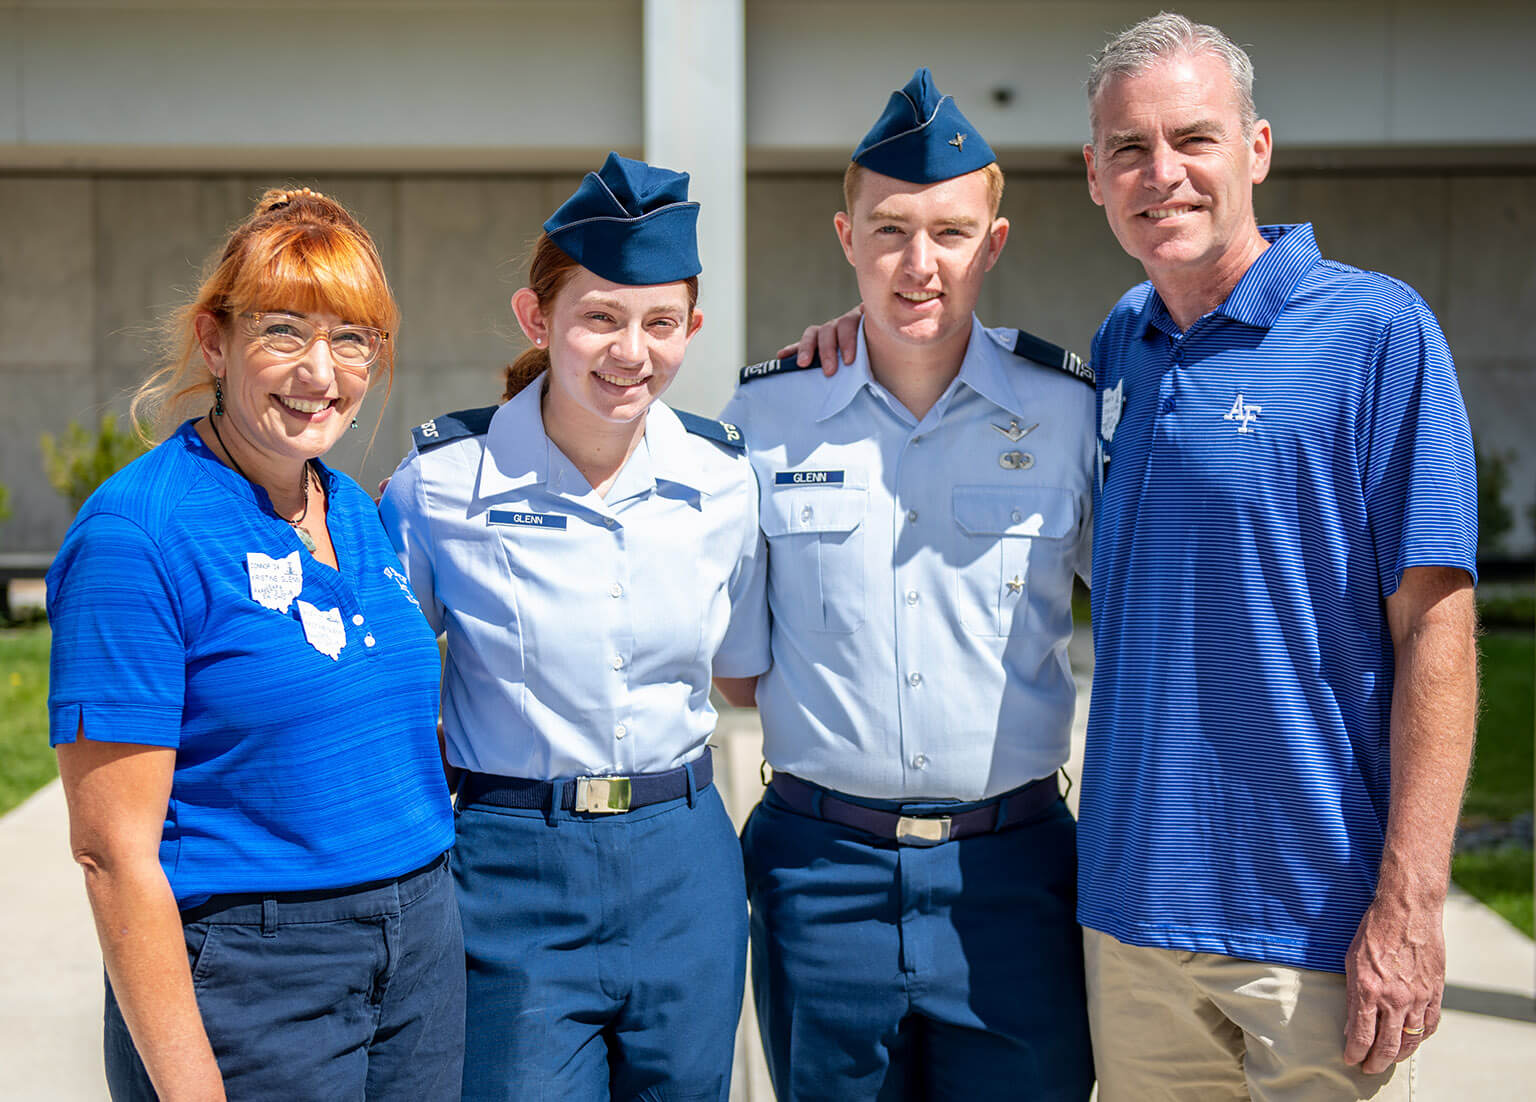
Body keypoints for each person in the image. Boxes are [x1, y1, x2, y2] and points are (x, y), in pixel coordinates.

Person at [1074, 14, 1478, 1100]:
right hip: (1128, 919)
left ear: (1255, 148)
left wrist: (1412, 903)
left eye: (1194, 139)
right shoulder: (1123, 338)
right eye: (1130, 149)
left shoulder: (1377, 331)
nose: (1164, 174)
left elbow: (1437, 625)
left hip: (1314, 929)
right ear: (1095, 176)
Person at [717, 69, 1096, 1101]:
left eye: (949, 232)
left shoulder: (1068, 415)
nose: (917, 262)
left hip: (1013, 877)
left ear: (995, 243)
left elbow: (1154, 606)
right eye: (889, 230)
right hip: (819, 875)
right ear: (847, 241)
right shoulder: (765, 420)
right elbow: (738, 671)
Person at [47, 187, 463, 1101]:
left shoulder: (351, 507)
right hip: (255, 972)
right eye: (284, 331)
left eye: (351, 339)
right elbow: (112, 856)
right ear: (214, 340)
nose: (321, 371)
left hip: (420, 951)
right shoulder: (136, 535)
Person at [379, 153, 770, 1102]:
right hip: (510, 869)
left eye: (660, 323)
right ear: (536, 318)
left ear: (692, 329)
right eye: (599, 316)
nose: (631, 351)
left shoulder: (724, 484)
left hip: (684, 862)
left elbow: (740, 672)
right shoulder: (440, 486)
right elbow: (381, 689)